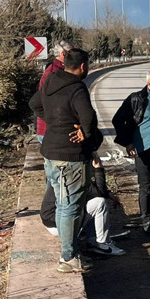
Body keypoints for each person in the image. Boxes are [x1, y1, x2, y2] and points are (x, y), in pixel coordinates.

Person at [29, 48, 97, 273]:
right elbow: (88, 118)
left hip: (50, 152)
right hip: (71, 156)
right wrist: (85, 134)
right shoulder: (77, 88)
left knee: (61, 203)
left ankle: (71, 252)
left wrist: (53, 119)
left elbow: (34, 104)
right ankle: (68, 257)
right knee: (70, 207)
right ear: (83, 66)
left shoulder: (51, 81)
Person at [112, 69, 150, 237]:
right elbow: (117, 120)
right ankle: (146, 220)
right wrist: (128, 142)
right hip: (143, 151)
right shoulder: (137, 99)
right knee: (146, 187)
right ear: (149, 84)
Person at [41, 154, 126, 256]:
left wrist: (109, 194)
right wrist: (99, 169)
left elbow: (93, 190)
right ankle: (102, 244)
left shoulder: (68, 168)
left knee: (89, 201)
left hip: (52, 220)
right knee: (100, 203)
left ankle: (92, 239)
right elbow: (99, 192)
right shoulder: (78, 174)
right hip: (58, 225)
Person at [35, 40, 75, 144]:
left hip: (51, 128)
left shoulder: (58, 69)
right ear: (63, 54)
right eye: (72, 52)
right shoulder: (56, 72)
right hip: (51, 130)